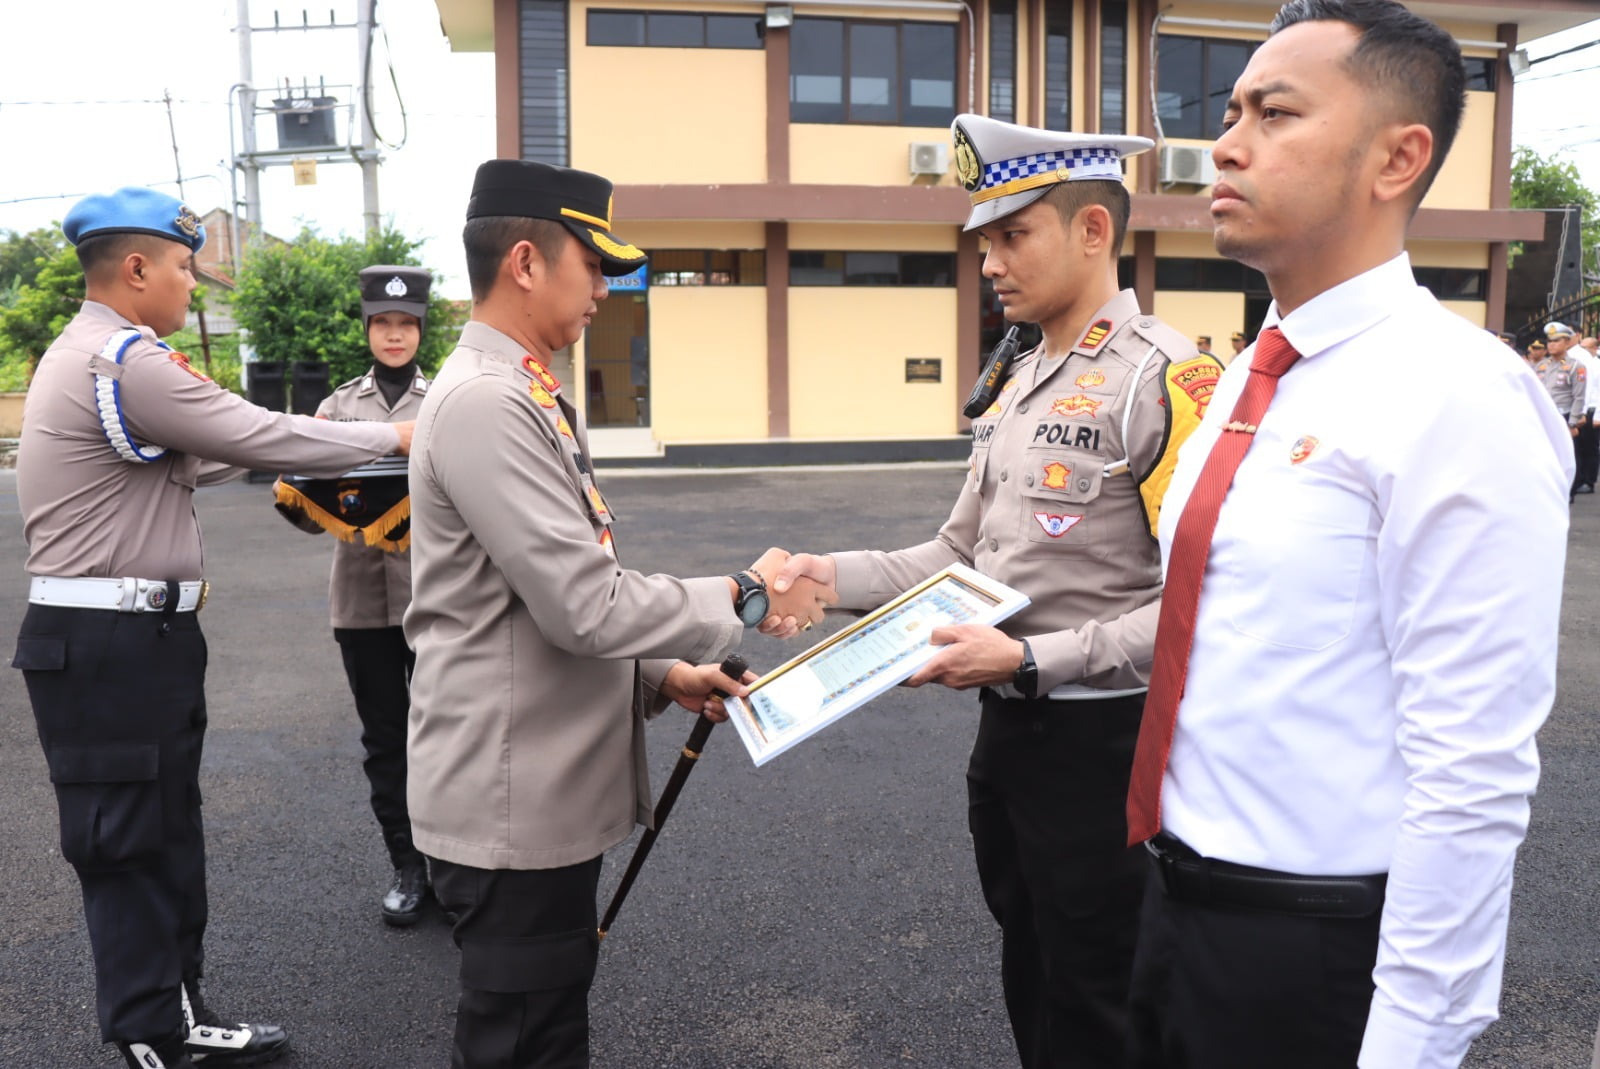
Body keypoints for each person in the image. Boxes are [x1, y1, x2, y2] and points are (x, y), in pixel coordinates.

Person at [1120, 3, 1572, 1067]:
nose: (1225, 145)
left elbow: (1470, 760)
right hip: (1173, 902)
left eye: (1273, 113)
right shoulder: (1248, 372)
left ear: (1395, 158)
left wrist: (1414, 1033)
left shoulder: (1457, 397)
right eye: (1229, 111)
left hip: (1311, 952)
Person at [768, 114, 1219, 1068]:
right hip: (1012, 734)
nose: (992, 263)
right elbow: (956, 555)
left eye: (1014, 235)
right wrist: (828, 575)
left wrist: (1029, 658)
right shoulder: (1022, 377)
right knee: (1034, 963)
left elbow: (1200, 604)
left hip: (1107, 745)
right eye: (986, 242)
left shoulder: (1166, 378)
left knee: (1102, 989)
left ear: (1093, 230)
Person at [403, 158, 835, 1069]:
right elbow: (583, 604)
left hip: (536, 789)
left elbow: (537, 599)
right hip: (511, 802)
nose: (607, 285)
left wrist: (665, 673)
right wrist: (745, 595)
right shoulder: (489, 402)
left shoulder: (526, 390)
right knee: (523, 1043)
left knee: (546, 1028)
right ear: (526, 262)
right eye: (593, 264)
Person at [11, 187, 415, 1069]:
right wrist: (396, 438)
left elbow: (221, 450)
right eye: (186, 267)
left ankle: (177, 1011)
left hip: (136, 643)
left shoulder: (108, 356)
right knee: (127, 842)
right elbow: (259, 432)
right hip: (108, 646)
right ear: (136, 268)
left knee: (163, 832)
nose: (194, 283)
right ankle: (149, 1033)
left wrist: (316, 443)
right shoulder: (123, 359)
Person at [276, 264, 436, 923]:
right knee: (385, 740)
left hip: (437, 600)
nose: (394, 335)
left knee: (447, 735)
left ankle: (453, 866)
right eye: (383, 323)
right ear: (368, 328)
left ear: (421, 330)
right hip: (362, 604)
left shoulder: (448, 398)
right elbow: (298, 501)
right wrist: (313, 497)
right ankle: (407, 865)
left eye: (406, 324)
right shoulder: (338, 406)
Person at [1533, 320, 1586, 500]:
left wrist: (1572, 422)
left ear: (1566, 342)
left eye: (1556, 341)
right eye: (1550, 341)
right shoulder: (1541, 365)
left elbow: (1578, 397)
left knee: (1565, 455)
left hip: (1563, 416)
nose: (1552, 345)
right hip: (1543, 416)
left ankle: (1567, 491)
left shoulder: (1575, 366)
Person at [1561, 324, 1599, 493]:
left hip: (1585, 407)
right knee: (1572, 446)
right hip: (1567, 407)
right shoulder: (1564, 355)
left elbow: (1588, 385)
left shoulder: (1581, 356)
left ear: (1577, 335)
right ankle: (1575, 479)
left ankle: (1587, 480)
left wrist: (1582, 411)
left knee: (1586, 446)